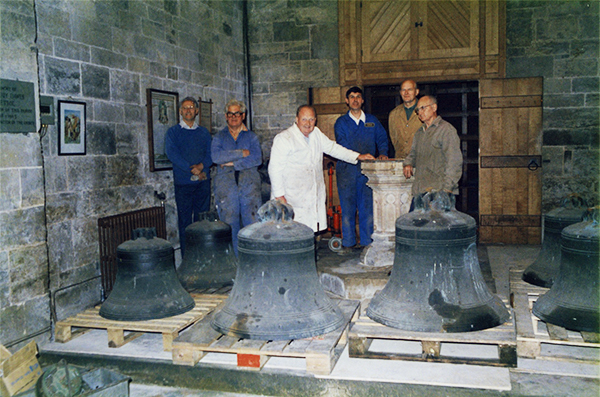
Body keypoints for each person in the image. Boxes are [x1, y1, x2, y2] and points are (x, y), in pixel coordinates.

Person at [268, 105, 375, 234]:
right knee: (289, 235)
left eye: (311, 119)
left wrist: (358, 156)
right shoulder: (284, 139)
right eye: (304, 119)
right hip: (291, 197)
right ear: (297, 119)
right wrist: (280, 196)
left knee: (308, 233)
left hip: (310, 195)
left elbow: (333, 148)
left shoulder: (316, 134)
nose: (308, 124)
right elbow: (274, 169)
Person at [334, 86, 389, 255]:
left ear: (362, 100)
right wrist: (360, 155)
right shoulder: (341, 122)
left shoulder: (372, 120)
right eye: (352, 97)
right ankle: (348, 243)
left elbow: (382, 138)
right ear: (347, 100)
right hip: (347, 170)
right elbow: (342, 145)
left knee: (367, 207)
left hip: (368, 172)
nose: (355, 100)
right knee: (348, 208)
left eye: (358, 97)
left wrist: (383, 153)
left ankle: (367, 243)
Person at [211, 99, 262, 255]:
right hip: (226, 186)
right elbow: (216, 157)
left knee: (252, 223)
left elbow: (257, 158)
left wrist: (231, 163)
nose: (234, 117)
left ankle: (253, 259)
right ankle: (233, 261)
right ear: (226, 116)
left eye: (237, 113)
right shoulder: (219, 137)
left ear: (243, 115)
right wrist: (241, 153)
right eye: (230, 114)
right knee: (229, 223)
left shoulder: (252, 137)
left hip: (249, 184)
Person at [165, 96, 212, 256]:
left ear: (197, 111)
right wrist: (190, 168)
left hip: (202, 183)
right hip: (184, 184)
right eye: (185, 108)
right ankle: (187, 258)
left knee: (202, 221)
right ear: (180, 111)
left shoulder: (204, 133)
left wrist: (202, 166)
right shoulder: (173, 132)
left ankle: (202, 255)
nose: (188, 110)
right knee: (185, 221)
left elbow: (210, 153)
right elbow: (172, 154)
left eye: (191, 107)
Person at [403, 95, 463, 207]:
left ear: (434, 108)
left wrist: (447, 190)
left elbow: (454, 161)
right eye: (417, 110)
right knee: (413, 223)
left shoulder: (446, 130)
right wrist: (408, 163)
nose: (419, 112)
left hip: (439, 192)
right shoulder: (419, 133)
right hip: (420, 192)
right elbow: (413, 154)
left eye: (423, 108)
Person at [388, 80, 423, 159]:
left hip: (420, 161)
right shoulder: (394, 114)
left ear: (416, 92)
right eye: (404, 90)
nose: (406, 93)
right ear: (400, 92)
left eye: (410, 89)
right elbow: (394, 139)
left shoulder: (424, 111)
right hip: (400, 161)